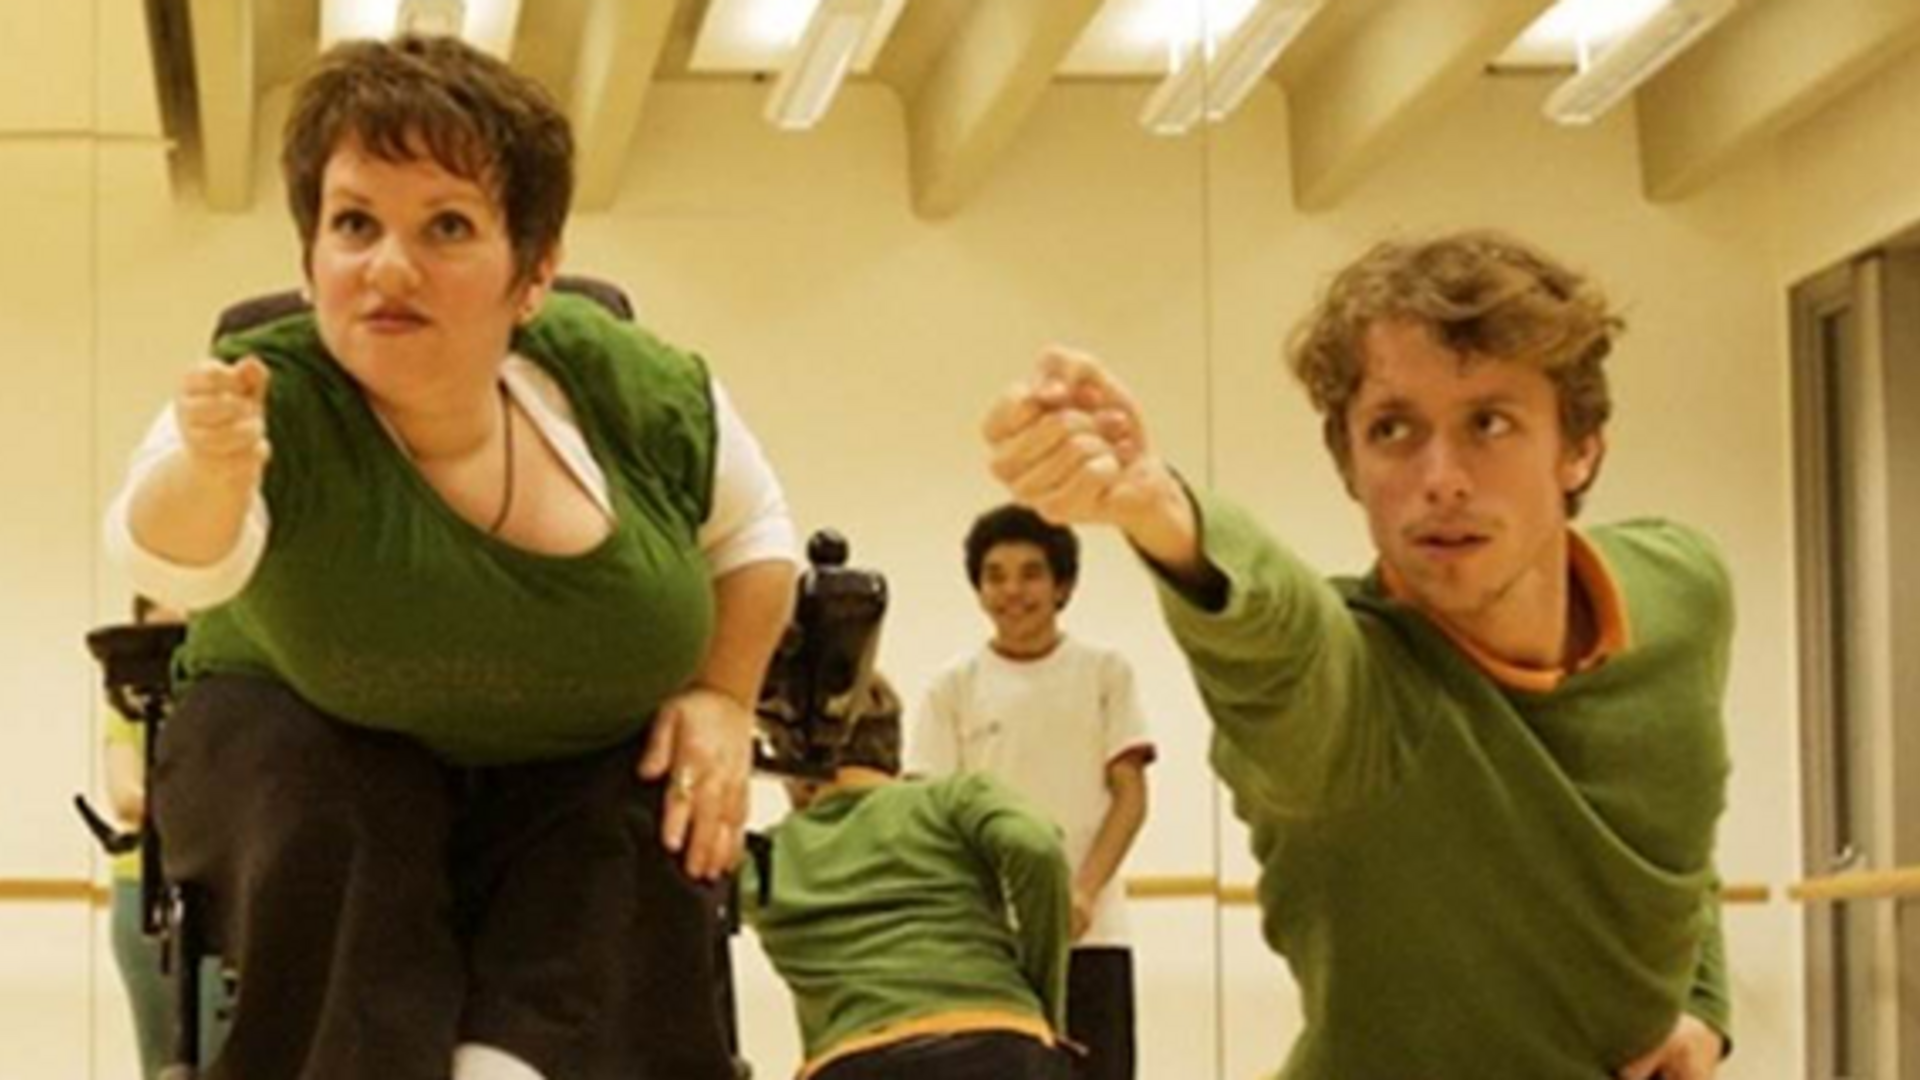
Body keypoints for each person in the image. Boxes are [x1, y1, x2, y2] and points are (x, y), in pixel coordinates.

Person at [103, 34, 798, 1080]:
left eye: (447, 226)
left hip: (571, 759)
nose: (389, 266)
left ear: (534, 269)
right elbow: (170, 559)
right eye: (353, 224)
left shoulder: (635, 388)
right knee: (339, 808)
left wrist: (725, 696)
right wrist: (213, 470)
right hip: (305, 734)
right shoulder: (263, 394)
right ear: (310, 255)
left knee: (643, 814)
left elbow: (753, 535)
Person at [981, 231, 1734, 1080]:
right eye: (1394, 429)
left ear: (1579, 446)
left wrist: (1702, 998)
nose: (1442, 476)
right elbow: (1279, 646)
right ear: (1351, 466)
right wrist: (1163, 514)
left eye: (1489, 422)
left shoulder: (1682, 591)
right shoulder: (1354, 696)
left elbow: (1677, 815)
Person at [909, 504, 1154, 1080]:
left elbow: (1130, 797)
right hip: (991, 949)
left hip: (1093, 939)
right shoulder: (952, 687)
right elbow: (932, 814)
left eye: (1030, 573)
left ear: (1062, 584)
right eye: (995, 575)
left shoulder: (1105, 672)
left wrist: (1083, 892)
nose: (1012, 590)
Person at [744, 678, 1074, 1080]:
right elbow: (1036, 845)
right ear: (893, 750)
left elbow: (681, 906)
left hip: (856, 1059)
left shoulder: (767, 857)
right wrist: (1041, 1000)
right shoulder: (951, 799)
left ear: (789, 764)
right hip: (1001, 1040)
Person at [101, 597, 231, 1078]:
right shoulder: (128, 713)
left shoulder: (229, 708)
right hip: (144, 890)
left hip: (222, 886)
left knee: (229, 1052)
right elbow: (127, 798)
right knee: (161, 1058)